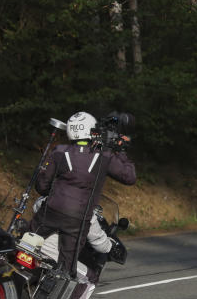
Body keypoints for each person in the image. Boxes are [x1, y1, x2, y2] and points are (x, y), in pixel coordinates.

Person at [33, 111, 136, 281]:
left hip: (49, 212)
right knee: (67, 271)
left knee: (25, 244)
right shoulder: (103, 155)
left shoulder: (59, 151)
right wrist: (119, 149)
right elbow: (129, 177)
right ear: (92, 131)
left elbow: (42, 186)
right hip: (77, 220)